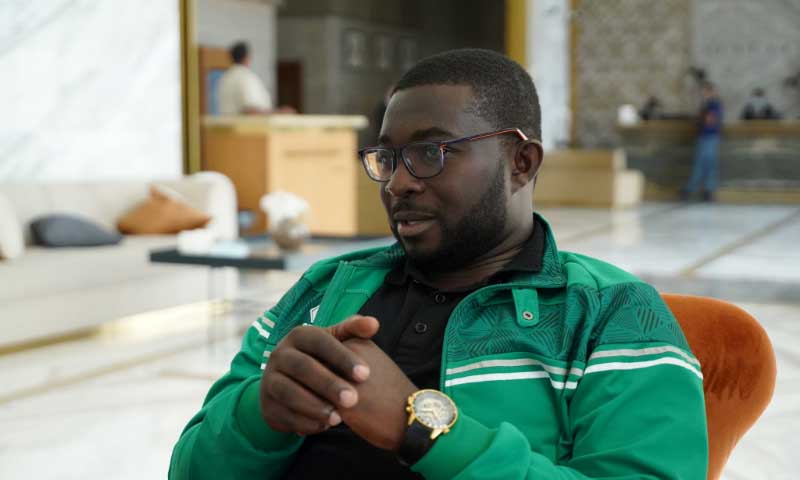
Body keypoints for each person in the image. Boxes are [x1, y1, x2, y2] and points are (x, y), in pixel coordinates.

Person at [170, 49, 708, 479]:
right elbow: (189, 469)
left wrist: (422, 428)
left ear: (521, 163)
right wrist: (258, 414)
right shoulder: (325, 289)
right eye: (388, 158)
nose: (399, 183)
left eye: (432, 153)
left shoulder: (609, 313)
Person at [682, 81, 724, 202]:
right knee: (705, 163)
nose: (702, 94)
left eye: (704, 92)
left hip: (708, 137)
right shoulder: (709, 105)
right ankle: (706, 191)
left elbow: (709, 120)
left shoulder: (713, 105)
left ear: (710, 92)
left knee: (704, 164)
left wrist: (699, 120)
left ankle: (694, 189)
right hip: (707, 137)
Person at [218, 41, 284, 115]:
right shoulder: (245, 76)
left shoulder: (225, 77)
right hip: (248, 122)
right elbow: (250, 109)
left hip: (227, 120)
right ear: (247, 58)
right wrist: (279, 112)